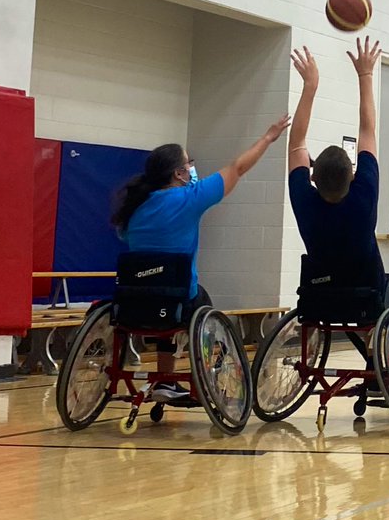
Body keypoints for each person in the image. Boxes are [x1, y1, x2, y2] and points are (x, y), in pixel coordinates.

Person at [112, 116, 290, 401]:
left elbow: (127, 240)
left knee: (163, 294)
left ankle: (165, 381)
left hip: (135, 302)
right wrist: (268, 137)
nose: (192, 167)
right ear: (179, 174)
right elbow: (237, 168)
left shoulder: (134, 209)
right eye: (189, 163)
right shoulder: (190, 198)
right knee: (198, 299)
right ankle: (203, 377)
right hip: (178, 302)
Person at [286, 39, 389, 307]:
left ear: (313, 177)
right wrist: (365, 75)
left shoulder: (305, 202)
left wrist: (310, 87)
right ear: (352, 176)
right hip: (367, 298)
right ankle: (384, 345)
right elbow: (368, 130)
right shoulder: (362, 197)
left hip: (320, 299)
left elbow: (296, 144)